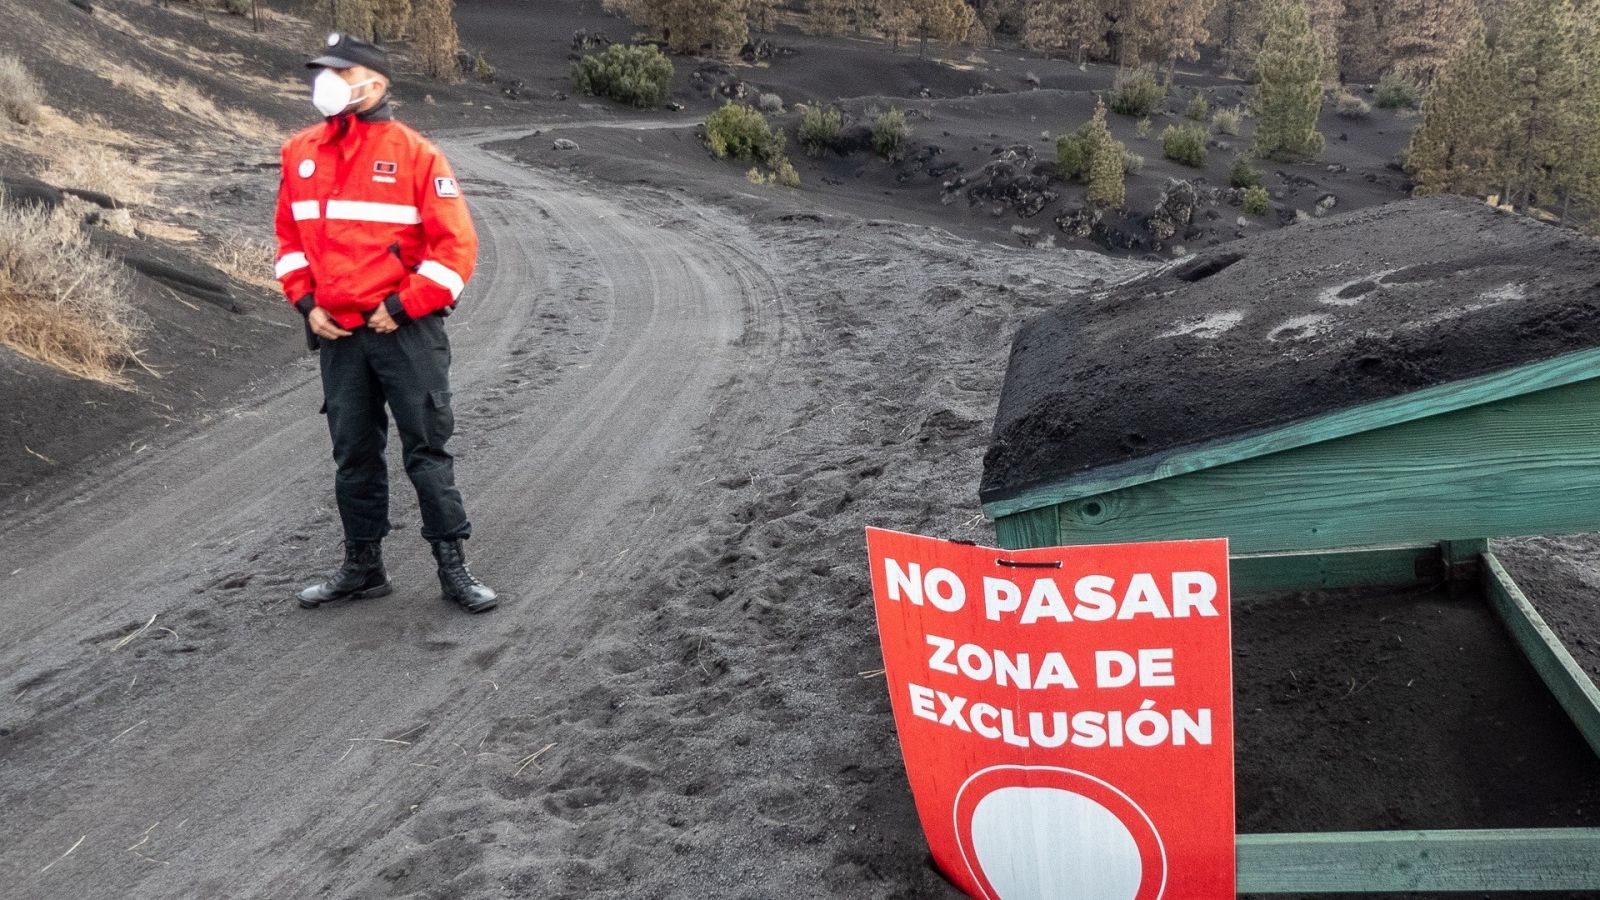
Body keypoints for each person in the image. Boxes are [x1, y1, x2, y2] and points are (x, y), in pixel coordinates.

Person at [274, 33, 498, 613]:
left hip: (405, 333)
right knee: (353, 454)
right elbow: (290, 243)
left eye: (339, 72)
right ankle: (363, 567)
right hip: (339, 336)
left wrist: (401, 305)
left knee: (426, 451)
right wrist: (306, 303)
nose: (326, 82)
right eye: (322, 71)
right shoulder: (299, 152)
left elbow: (457, 252)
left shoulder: (418, 155)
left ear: (375, 82)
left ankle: (454, 569)